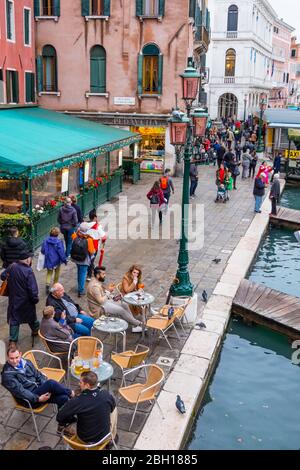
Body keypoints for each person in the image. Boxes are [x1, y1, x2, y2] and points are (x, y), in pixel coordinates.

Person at [1, 345, 73, 409]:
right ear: (7, 357)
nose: (14, 361)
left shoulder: (27, 362)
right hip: (29, 400)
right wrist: (38, 398)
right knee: (51, 383)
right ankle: (72, 393)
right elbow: (21, 392)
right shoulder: (7, 375)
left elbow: (38, 375)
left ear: (20, 354)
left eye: (16, 357)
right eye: (11, 358)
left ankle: (63, 421)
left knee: (64, 398)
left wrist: (46, 389)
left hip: (39, 390)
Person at [56, 371, 117, 445]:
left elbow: (59, 417)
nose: (79, 384)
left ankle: (65, 430)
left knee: (68, 416)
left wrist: (71, 419)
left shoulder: (78, 400)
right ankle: (112, 437)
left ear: (87, 385)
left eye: (80, 382)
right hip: (105, 437)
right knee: (113, 409)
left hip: (84, 441)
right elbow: (112, 407)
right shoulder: (105, 394)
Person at [87, 267, 144, 333]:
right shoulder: (94, 286)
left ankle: (133, 322)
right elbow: (101, 301)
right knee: (121, 311)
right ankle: (140, 324)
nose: (105, 275)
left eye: (105, 273)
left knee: (124, 304)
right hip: (99, 307)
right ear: (97, 275)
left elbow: (102, 294)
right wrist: (109, 292)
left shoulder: (96, 281)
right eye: (103, 274)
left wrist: (109, 292)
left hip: (105, 302)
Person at [1, 252, 39, 345]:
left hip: (14, 300)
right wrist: (35, 299)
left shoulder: (12, 266)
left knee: (14, 319)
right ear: (27, 259)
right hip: (26, 302)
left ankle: (13, 341)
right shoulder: (29, 271)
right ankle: (35, 331)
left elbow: (2, 276)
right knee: (31, 318)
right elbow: (32, 289)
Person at [71, 222, 96, 297]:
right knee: (82, 274)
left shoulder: (75, 236)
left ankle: (79, 287)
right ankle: (81, 290)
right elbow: (92, 251)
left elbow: (73, 237)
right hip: (84, 260)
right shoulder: (89, 240)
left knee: (79, 272)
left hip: (76, 258)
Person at [41, 227, 67, 295]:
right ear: (57, 234)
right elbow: (61, 252)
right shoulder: (59, 241)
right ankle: (55, 286)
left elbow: (42, 250)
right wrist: (64, 260)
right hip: (57, 260)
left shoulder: (45, 240)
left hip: (49, 259)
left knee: (49, 273)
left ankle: (47, 284)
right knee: (57, 273)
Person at [86, 209, 107, 281]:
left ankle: (91, 270)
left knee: (88, 259)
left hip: (85, 244)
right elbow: (104, 237)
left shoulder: (85, 224)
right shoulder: (97, 227)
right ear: (95, 217)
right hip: (94, 246)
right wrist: (103, 245)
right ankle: (89, 275)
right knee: (91, 260)